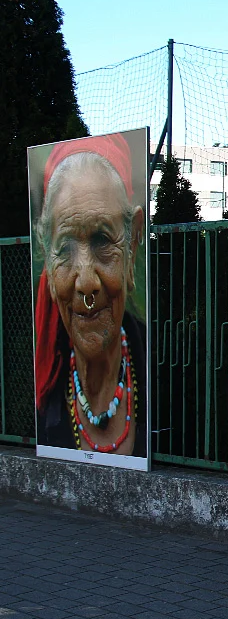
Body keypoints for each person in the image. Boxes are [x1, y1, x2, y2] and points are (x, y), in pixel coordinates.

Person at [33, 133, 147, 456]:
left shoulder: (168, 381)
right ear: (46, 252)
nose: (85, 283)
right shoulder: (43, 400)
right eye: (65, 248)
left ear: (133, 242)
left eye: (101, 240)